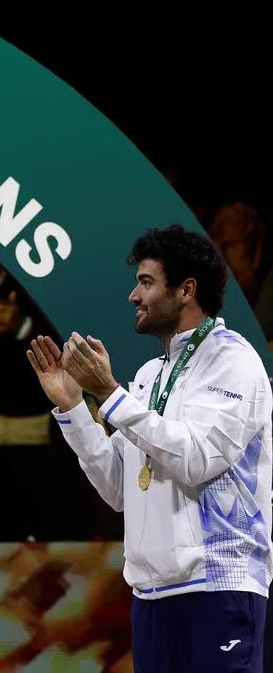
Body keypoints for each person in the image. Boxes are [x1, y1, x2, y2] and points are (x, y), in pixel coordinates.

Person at [27, 223, 272, 672]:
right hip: (152, 598)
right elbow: (120, 488)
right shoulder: (148, 376)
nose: (132, 297)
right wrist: (75, 409)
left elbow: (196, 460)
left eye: (145, 282)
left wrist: (111, 394)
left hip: (217, 587)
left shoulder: (233, 361)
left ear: (186, 290)